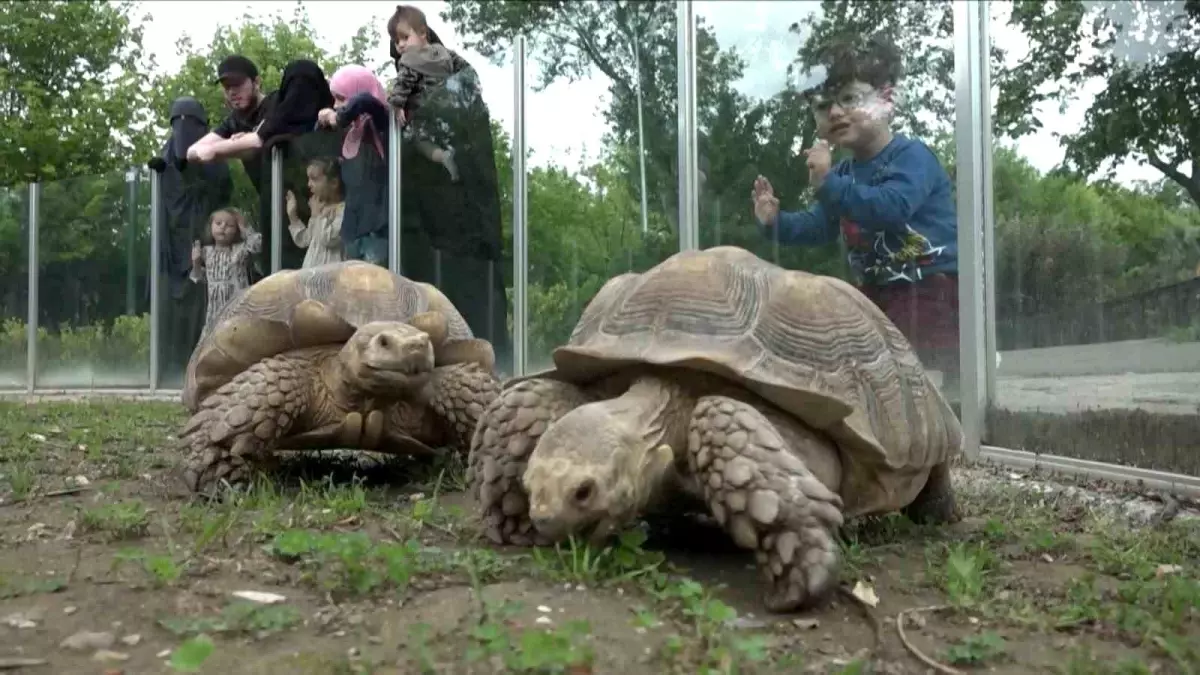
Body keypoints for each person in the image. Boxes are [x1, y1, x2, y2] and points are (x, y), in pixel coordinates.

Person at [750, 35, 960, 392]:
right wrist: (776, 222)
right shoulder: (845, 175)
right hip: (874, 293)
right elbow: (821, 225)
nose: (834, 112)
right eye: (822, 105)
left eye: (848, 98)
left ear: (887, 99)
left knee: (922, 379)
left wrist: (829, 184)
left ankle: (950, 429)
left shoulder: (912, 157)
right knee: (874, 380)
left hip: (928, 289)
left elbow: (892, 208)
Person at [187, 56, 334, 273]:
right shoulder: (233, 120)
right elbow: (194, 150)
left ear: (257, 82)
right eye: (227, 87)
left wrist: (226, 146)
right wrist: (231, 143)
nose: (232, 92)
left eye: (238, 85)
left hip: (301, 199)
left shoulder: (276, 104)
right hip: (271, 204)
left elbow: (257, 142)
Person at [146, 96, 233, 385]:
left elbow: (222, 189)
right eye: (177, 123)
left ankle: (202, 370)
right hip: (172, 247)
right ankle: (168, 368)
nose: (182, 130)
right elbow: (163, 201)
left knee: (203, 310)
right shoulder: (165, 157)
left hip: (205, 244)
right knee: (172, 312)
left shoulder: (211, 154)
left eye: (190, 123)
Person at [318, 64, 392, 267]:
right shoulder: (350, 131)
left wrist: (338, 117)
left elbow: (365, 101)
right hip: (352, 227)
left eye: (341, 97)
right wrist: (323, 120)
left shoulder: (380, 121)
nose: (335, 104)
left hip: (377, 227)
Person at [386, 4, 467, 182]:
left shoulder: (410, 59)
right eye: (396, 41)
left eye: (405, 38)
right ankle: (454, 156)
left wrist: (396, 105)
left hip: (425, 112)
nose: (400, 45)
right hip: (450, 109)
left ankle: (442, 156)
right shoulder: (445, 53)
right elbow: (465, 71)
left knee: (419, 140)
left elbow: (403, 84)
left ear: (423, 33)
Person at [189, 207, 262, 340]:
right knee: (212, 341)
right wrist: (196, 262)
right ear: (210, 227)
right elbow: (199, 277)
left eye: (230, 225)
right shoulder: (206, 252)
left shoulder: (239, 250)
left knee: (237, 339)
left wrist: (244, 226)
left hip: (236, 304)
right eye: (218, 223)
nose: (223, 227)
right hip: (215, 309)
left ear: (236, 230)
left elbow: (256, 245)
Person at [286, 157, 345, 268]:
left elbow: (328, 239)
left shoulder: (343, 210)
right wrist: (293, 216)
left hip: (330, 279)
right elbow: (306, 240)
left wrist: (318, 216)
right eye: (308, 179)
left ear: (333, 183)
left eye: (314, 179)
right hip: (311, 279)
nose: (309, 184)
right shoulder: (319, 209)